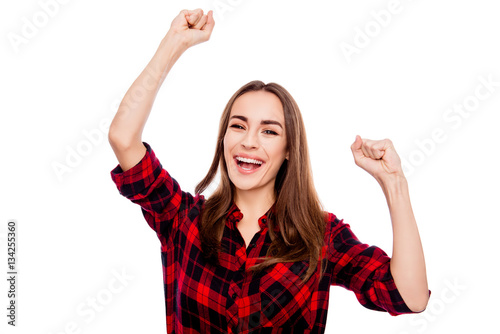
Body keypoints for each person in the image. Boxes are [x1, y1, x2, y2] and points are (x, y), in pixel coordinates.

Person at [108, 8, 430, 333]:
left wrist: (394, 183)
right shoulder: (183, 219)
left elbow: (410, 296)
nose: (249, 142)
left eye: (269, 131)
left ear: (289, 149)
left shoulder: (321, 237)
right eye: (238, 126)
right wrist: (174, 42)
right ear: (224, 138)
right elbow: (123, 138)